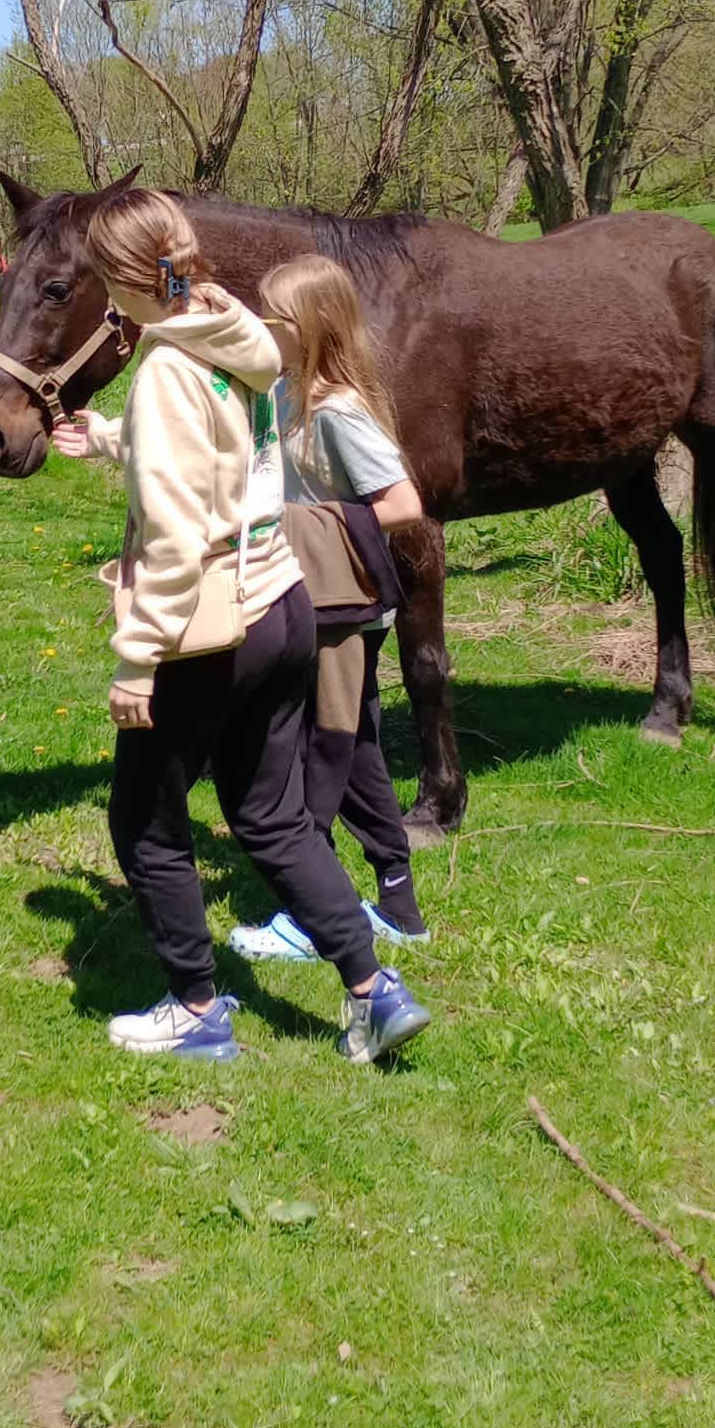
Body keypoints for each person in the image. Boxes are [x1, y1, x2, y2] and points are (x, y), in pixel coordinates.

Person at [51, 188, 429, 1066]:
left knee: (144, 823)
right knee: (272, 818)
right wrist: (113, 438)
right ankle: (374, 990)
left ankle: (195, 1010)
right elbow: (218, 454)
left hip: (213, 625)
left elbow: (181, 533)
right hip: (286, 605)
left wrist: (137, 662)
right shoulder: (236, 337)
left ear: (118, 284)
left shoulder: (166, 371)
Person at [228, 252, 429, 966]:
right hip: (311, 600)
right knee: (362, 746)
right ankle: (398, 904)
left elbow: (402, 503)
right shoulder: (287, 395)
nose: (262, 326)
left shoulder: (338, 410)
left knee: (323, 746)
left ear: (310, 327)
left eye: (274, 317)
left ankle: (310, 910)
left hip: (340, 612)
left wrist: (299, 528)